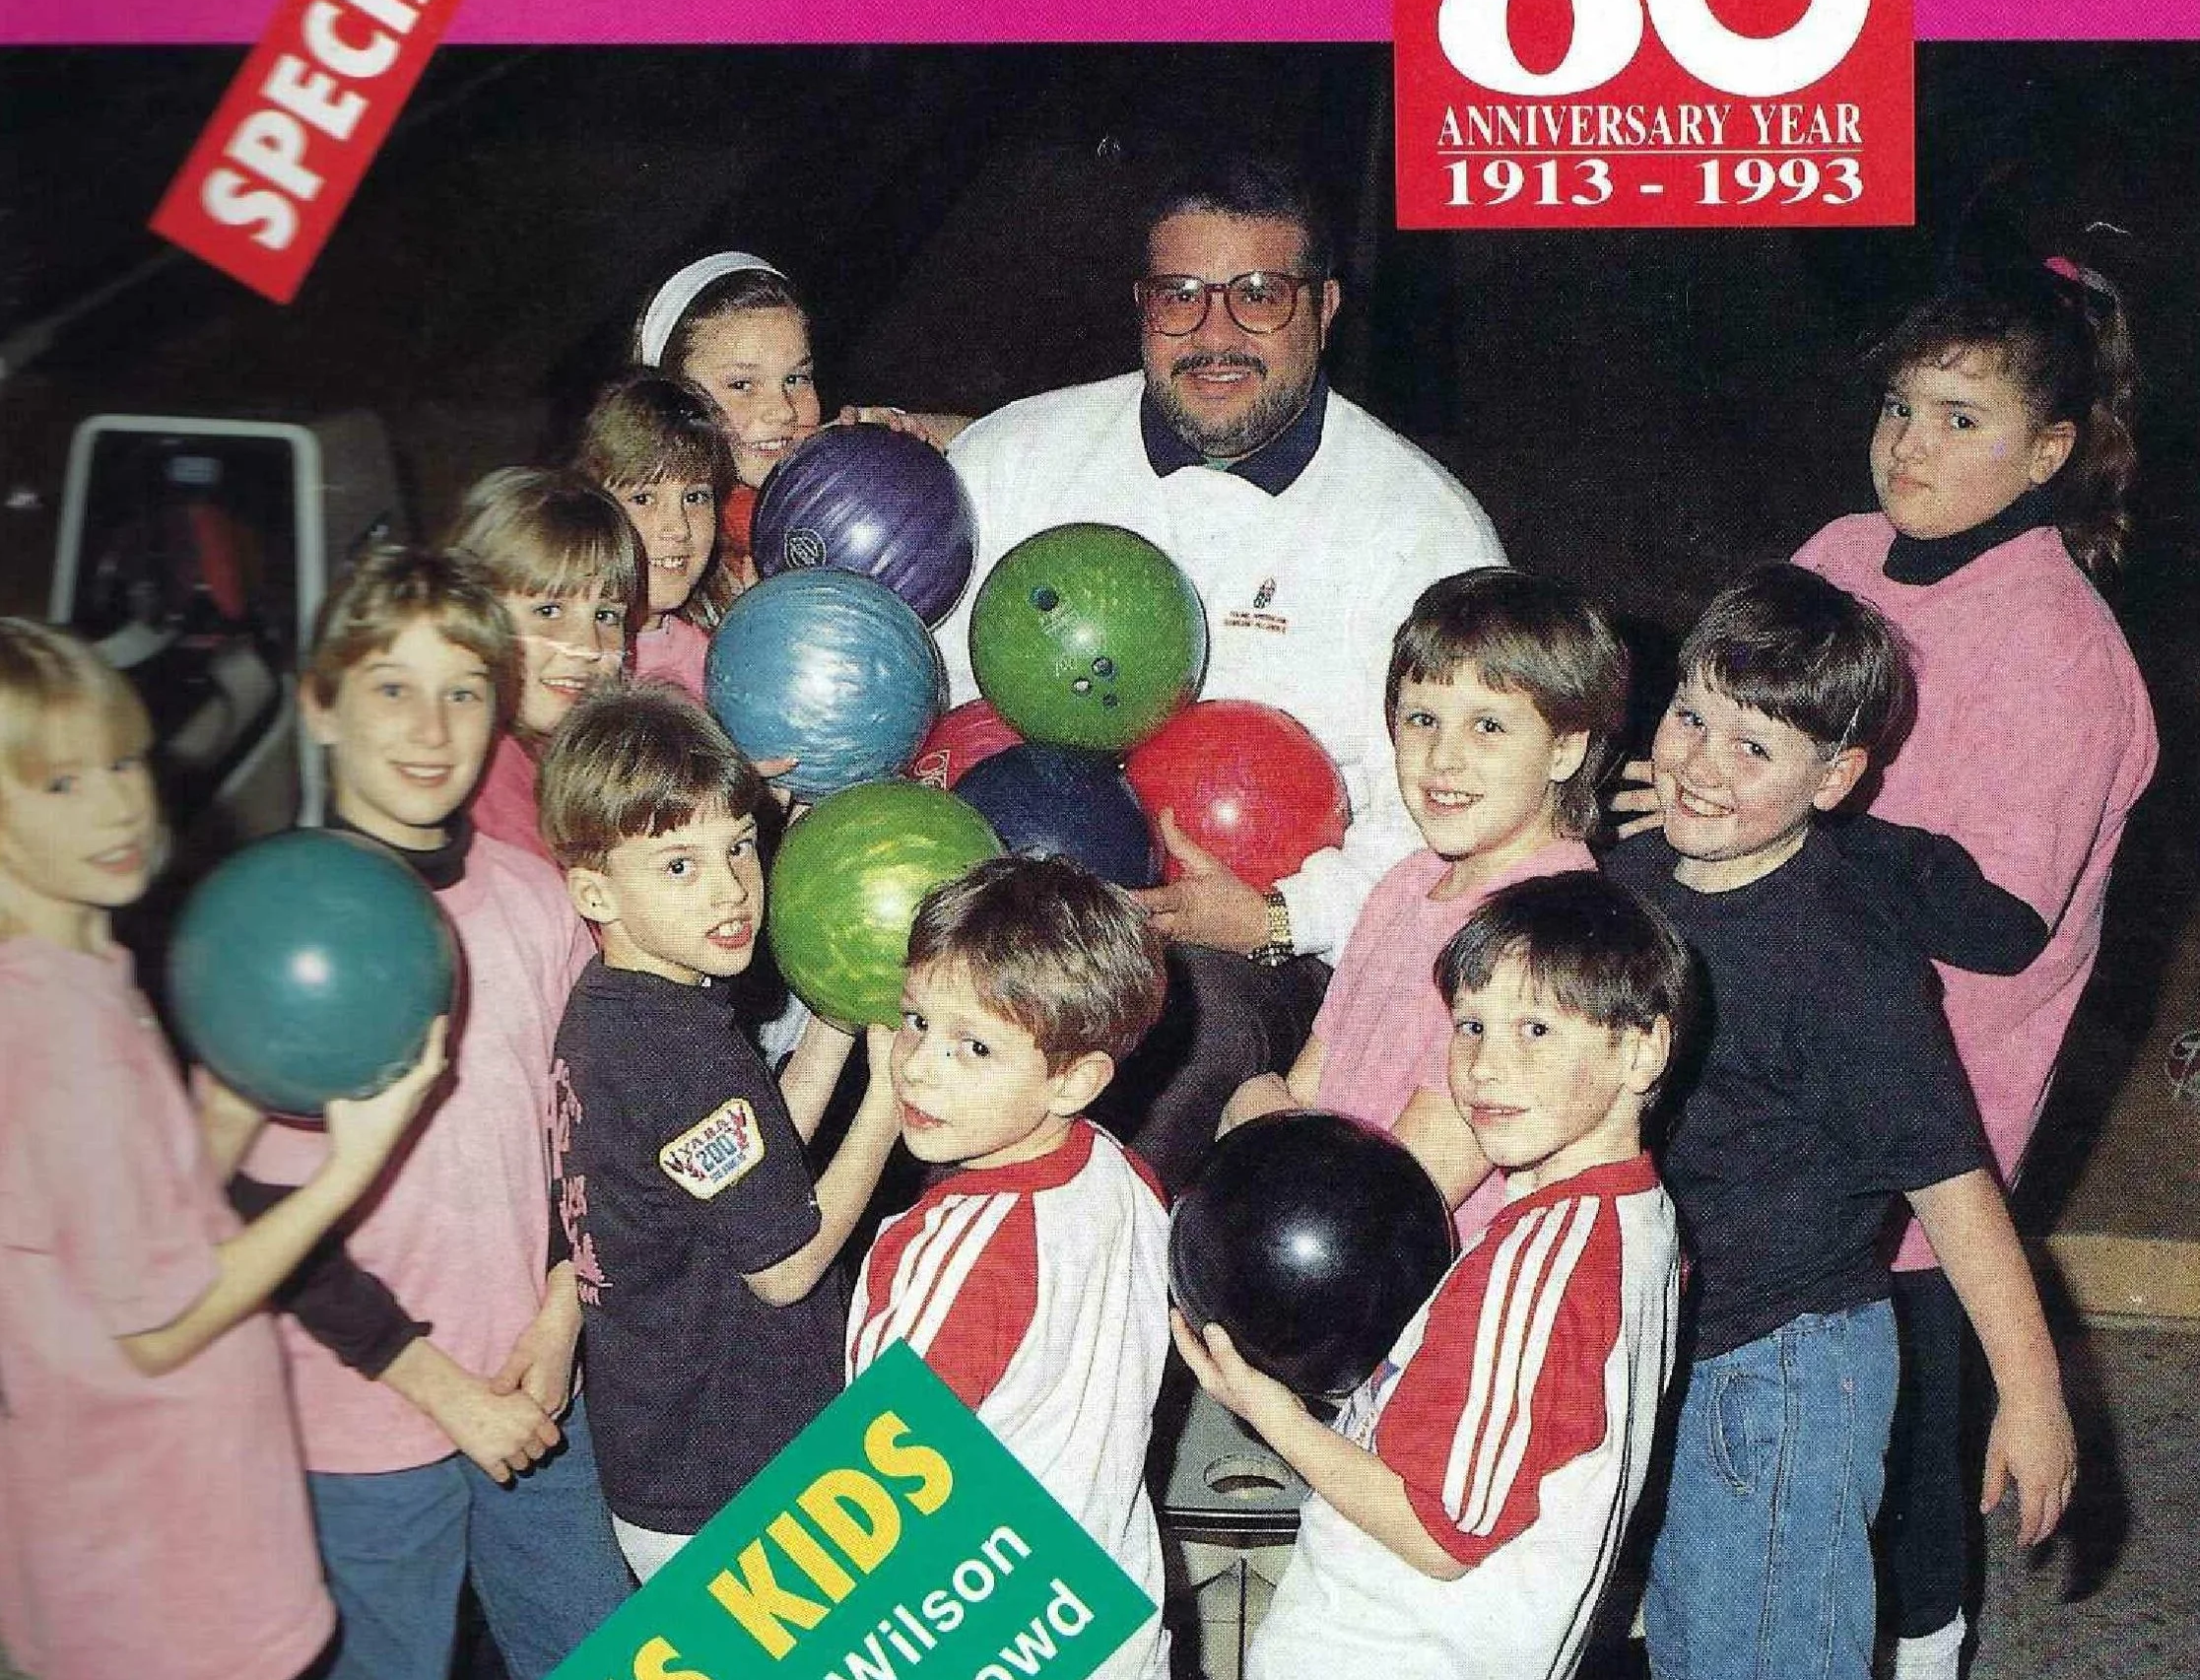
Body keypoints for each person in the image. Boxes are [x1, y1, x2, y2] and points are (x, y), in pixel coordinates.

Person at [0, 617, 444, 1680]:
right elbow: (156, 1321)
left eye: (127, 764)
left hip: (106, 1522)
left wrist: (207, 1121)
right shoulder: (68, 1036)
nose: (121, 806)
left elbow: (108, 1230)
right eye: (60, 784)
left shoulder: (46, 970)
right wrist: (346, 1160)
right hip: (166, 1553)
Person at [1588, 566, 2079, 1680]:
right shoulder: (1641, 878)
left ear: (1835, 775)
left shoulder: (1840, 964)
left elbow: (1953, 1183)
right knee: (1696, 1661)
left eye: (1755, 747)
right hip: (1676, 1335)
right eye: (1689, 717)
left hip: (1786, 1369)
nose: (1699, 764)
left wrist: (2037, 1394)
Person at [1080, 872, 1687, 1680]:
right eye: (1468, 1026)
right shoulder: (1624, 1216)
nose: (1487, 1066)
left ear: (1641, 1049)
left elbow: (1440, 1528)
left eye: (1535, 1028)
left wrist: (1276, 1418)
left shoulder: (1540, 1267)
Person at [934, 151, 1504, 1184]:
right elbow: (923, 703)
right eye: (1180, 297)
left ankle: (1044, 1328)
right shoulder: (1012, 458)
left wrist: (1285, 915)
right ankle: (914, 1325)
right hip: (992, 907)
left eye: (1258, 296)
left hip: (1241, 949)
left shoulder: (1425, 535)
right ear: (1140, 304)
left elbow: (1460, 816)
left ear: (1324, 308)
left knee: (1156, 1048)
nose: (1214, 333)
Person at [1796, 261, 2156, 1680]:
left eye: (1960, 417)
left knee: (1905, 1403)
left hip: (1936, 1089)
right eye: (1899, 405)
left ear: (2053, 450)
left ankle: (1921, 1675)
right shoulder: (1839, 550)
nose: (1910, 446)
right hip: (1791, 1034)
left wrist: (1800, 813)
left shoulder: (2065, 648)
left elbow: (2003, 915)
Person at [231, 550, 627, 1680]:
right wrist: (444, 1391)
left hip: (533, 1378)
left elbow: (591, 1136)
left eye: (463, 691)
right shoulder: (272, 929)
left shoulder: (530, 901)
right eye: (390, 688)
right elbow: (252, 1212)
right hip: (367, 1411)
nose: (430, 727)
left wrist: (566, 1311)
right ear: (320, 702)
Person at [837, 856, 1171, 1680]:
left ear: (1075, 1073)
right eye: (916, 1019)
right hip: (1120, 1678)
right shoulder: (1128, 1181)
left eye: (974, 1046)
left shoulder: (938, 1250)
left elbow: (873, 1505)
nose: (919, 1065)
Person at [511, 684, 900, 1584]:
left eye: (739, 846)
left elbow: (750, 1170)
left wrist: (837, 1025)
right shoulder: (682, 1052)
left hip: (669, 1461)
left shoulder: (617, 1012)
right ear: (593, 890)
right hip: (739, 1483)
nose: (731, 888)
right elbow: (786, 1263)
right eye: (678, 865)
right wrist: (885, 1103)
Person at [1224, 569, 1627, 1255]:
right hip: (1314, 1234)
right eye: (1422, 719)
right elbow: (1312, 1079)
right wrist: (1267, 1120)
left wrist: (1251, 1107)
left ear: (1566, 747)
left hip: (1426, 1296)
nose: (1444, 758)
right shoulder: (1409, 883)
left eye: (1489, 726)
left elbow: (1395, 1196)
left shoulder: (1546, 936)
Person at [631, 251, 966, 567]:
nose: (784, 411)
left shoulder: (813, 492)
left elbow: (1006, 439)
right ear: (671, 398)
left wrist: (896, 436)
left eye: (795, 378)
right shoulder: (651, 544)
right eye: (742, 385)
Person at [444, 468, 642, 865]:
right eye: (548, 610)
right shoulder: (486, 778)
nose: (587, 647)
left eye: (606, 616)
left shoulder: (555, 758)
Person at [572, 369, 739, 699]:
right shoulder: (564, 660)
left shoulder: (717, 661)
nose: (678, 528)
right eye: (643, 498)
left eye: (694, 497)